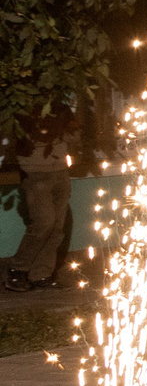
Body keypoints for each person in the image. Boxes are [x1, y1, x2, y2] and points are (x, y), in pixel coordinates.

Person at [6, 114, 73, 293]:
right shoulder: (22, 107)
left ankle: (41, 274)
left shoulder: (57, 106)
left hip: (60, 170)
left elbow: (70, 128)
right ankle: (17, 269)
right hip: (35, 172)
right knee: (43, 223)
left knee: (57, 228)